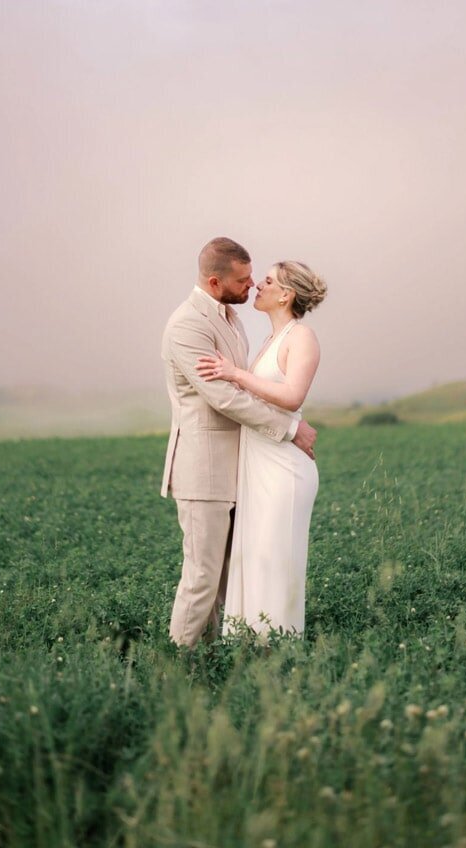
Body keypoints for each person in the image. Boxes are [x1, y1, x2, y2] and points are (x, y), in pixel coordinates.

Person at [161, 238, 319, 648]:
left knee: (232, 574)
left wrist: (284, 422)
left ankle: (221, 658)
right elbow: (224, 396)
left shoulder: (231, 319)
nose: (252, 287)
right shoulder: (187, 325)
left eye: (259, 279)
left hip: (247, 469)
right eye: (246, 280)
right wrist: (289, 429)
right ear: (216, 281)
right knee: (201, 577)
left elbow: (254, 388)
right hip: (205, 470)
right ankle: (177, 664)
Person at [196, 260, 326, 636]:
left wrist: (235, 374)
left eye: (267, 282)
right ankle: (249, 651)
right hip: (259, 466)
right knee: (254, 561)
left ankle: (277, 652)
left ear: (287, 295)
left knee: (275, 562)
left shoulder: (302, 337)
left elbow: (292, 395)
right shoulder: (270, 340)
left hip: (284, 468)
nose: (258, 286)